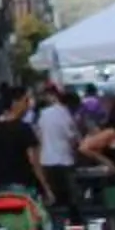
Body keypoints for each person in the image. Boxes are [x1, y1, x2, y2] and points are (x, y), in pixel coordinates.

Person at [31, 80, 83, 221]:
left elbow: (38, 136)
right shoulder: (65, 114)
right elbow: (73, 140)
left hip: (46, 160)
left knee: (53, 200)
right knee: (71, 200)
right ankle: (74, 226)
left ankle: (56, 227)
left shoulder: (43, 113)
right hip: (64, 161)